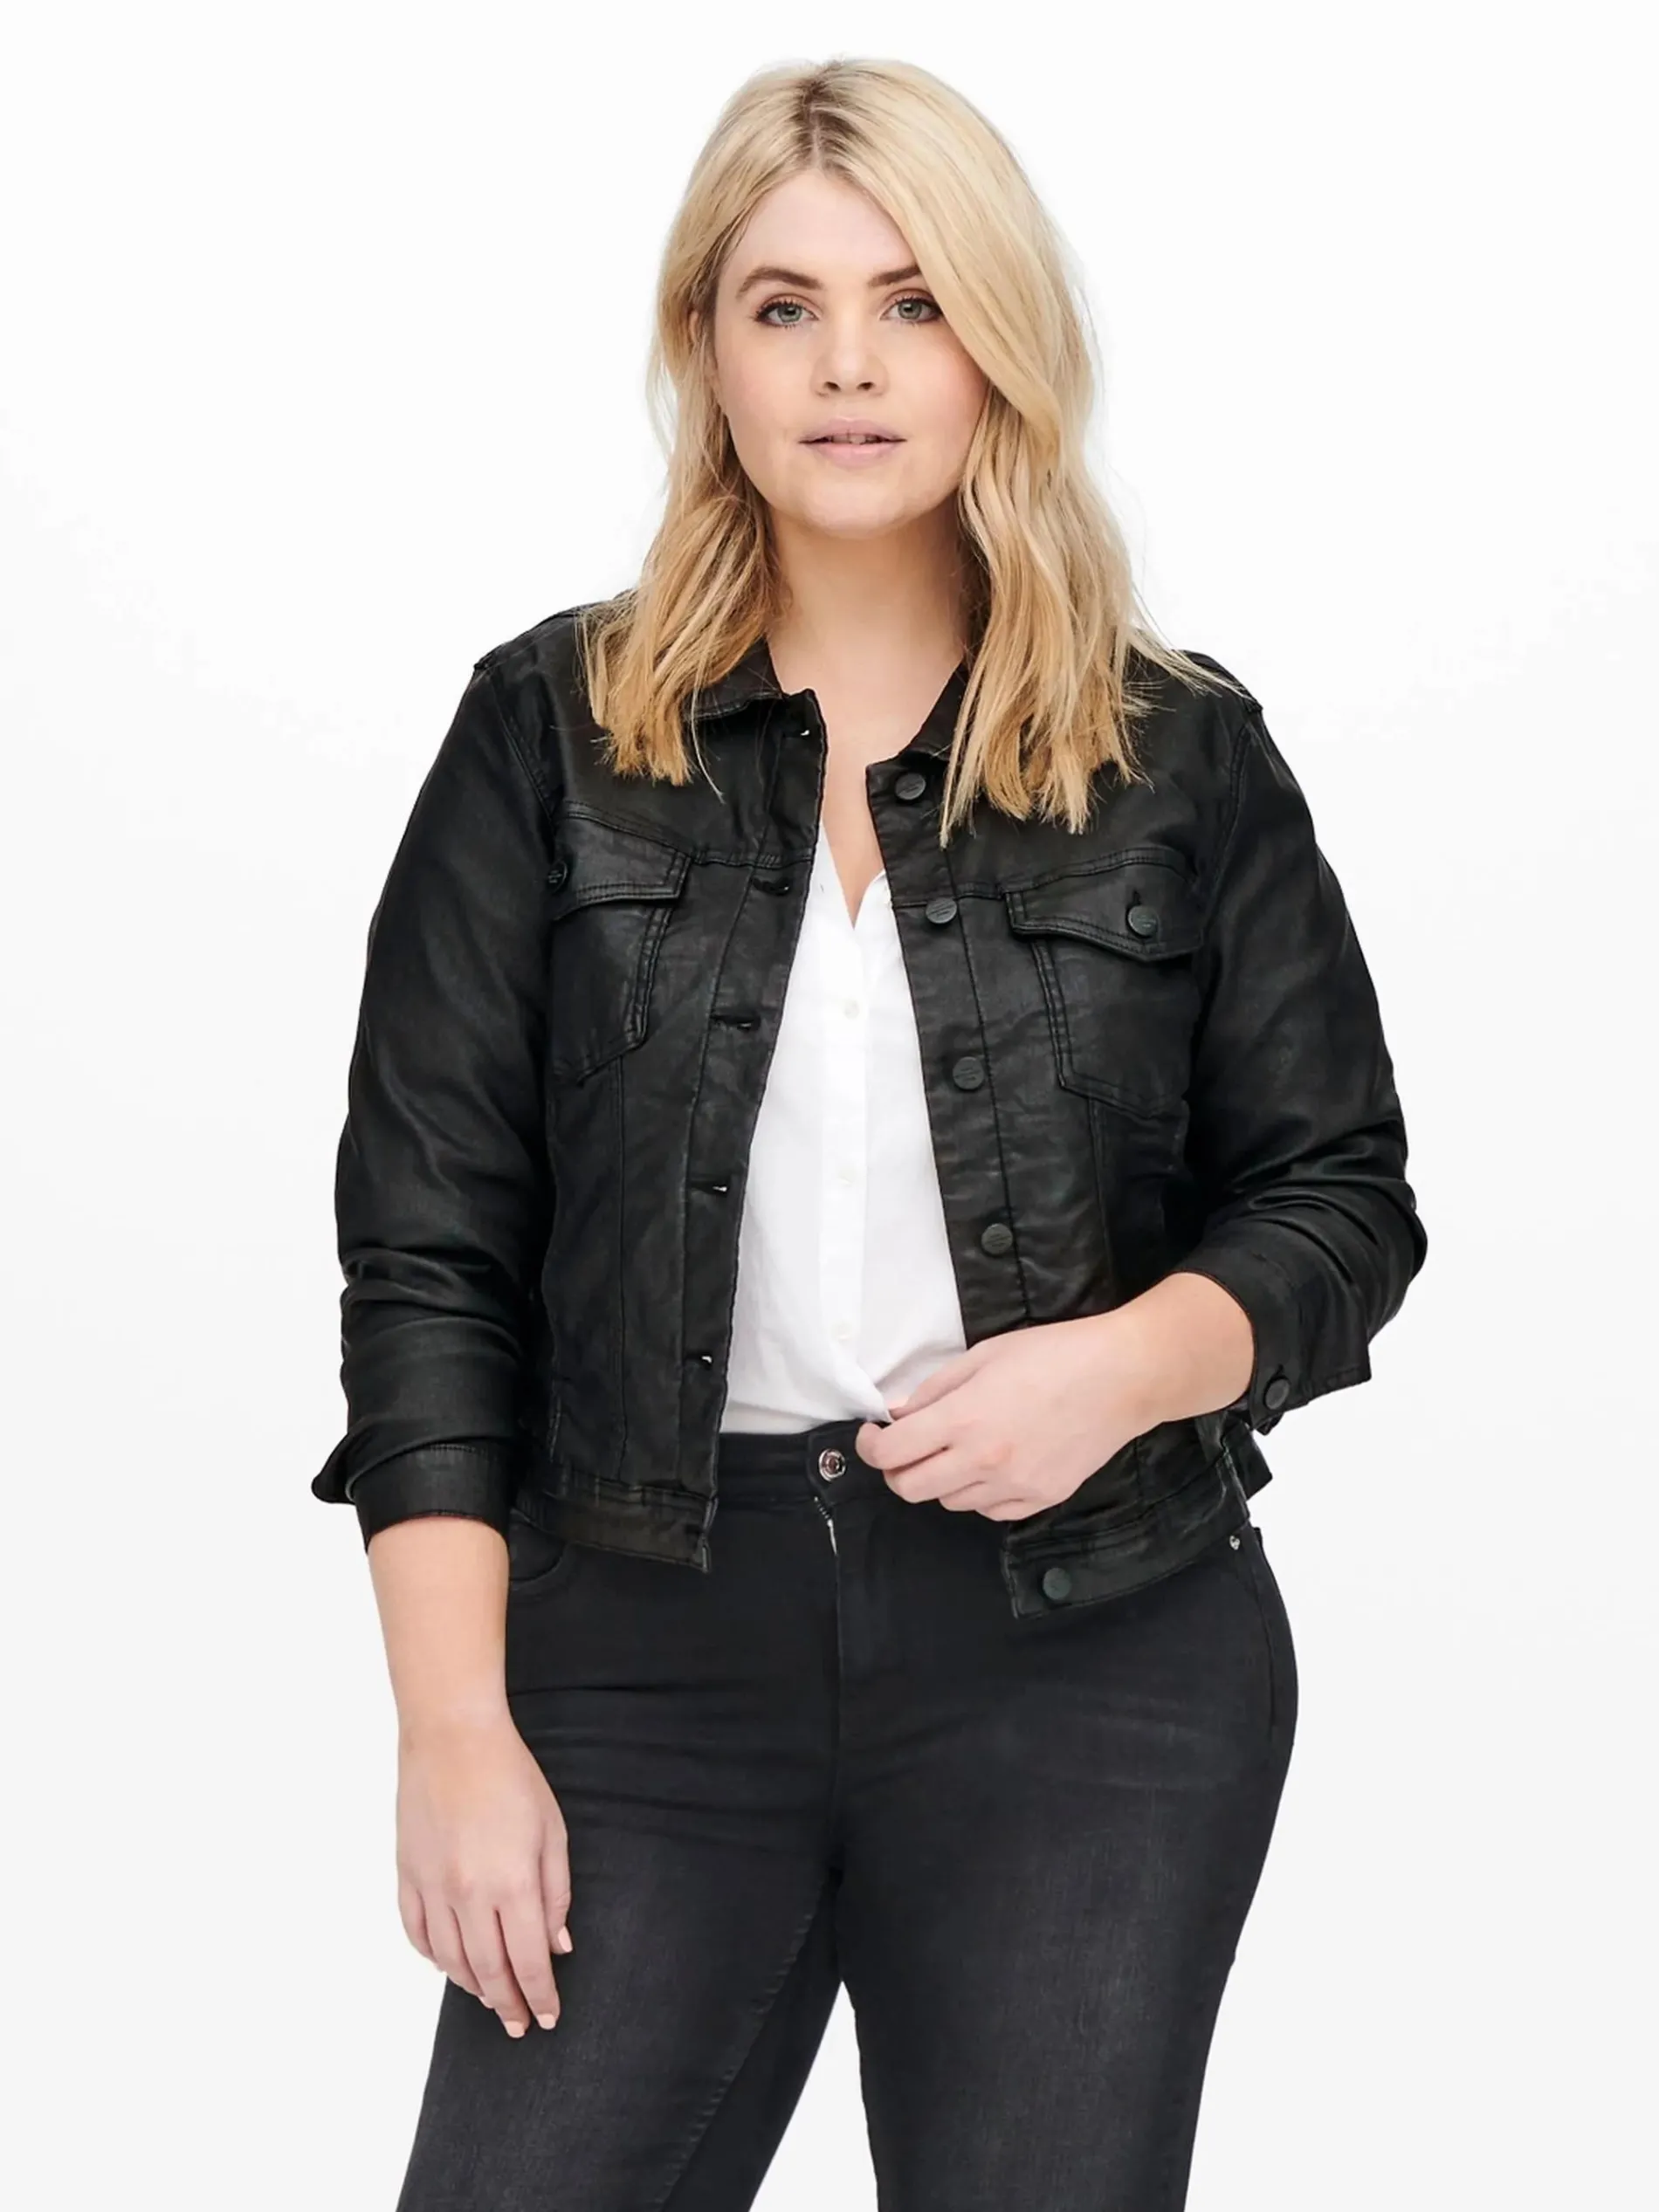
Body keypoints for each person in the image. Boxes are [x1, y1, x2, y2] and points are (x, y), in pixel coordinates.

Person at [312, 54, 1428, 2212]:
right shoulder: (547, 736)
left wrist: (1121, 1366)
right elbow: (428, 1260)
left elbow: (1335, 1198)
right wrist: (451, 1730)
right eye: (785, 305)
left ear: (998, 345)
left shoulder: (1173, 755)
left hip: (1088, 1649)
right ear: (705, 352)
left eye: (913, 302)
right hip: (640, 1643)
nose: (848, 364)